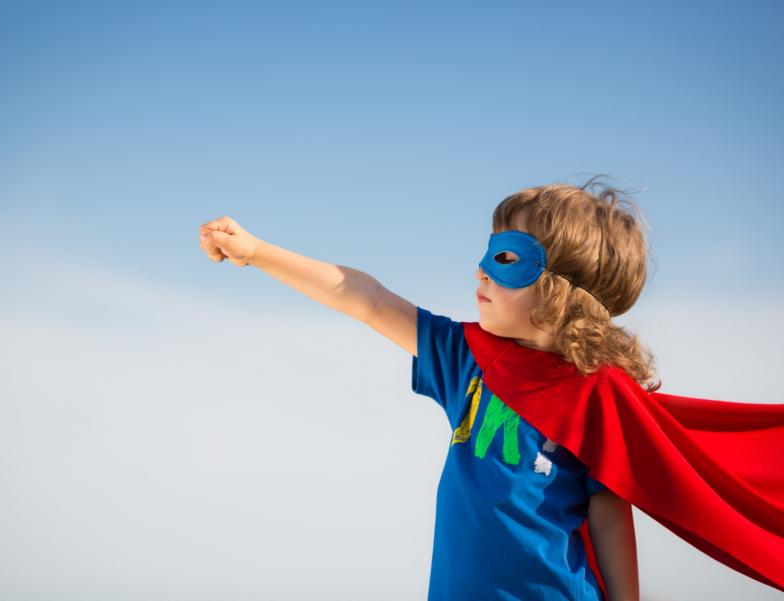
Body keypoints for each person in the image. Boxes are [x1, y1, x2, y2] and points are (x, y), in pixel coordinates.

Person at [198, 176, 784, 600]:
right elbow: (364, 297)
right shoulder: (466, 359)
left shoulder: (596, 395)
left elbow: (610, 515)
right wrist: (257, 253)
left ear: (559, 289)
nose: (480, 268)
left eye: (504, 257)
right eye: (486, 250)